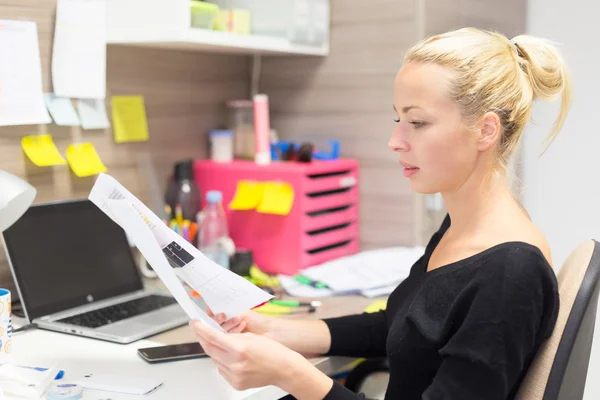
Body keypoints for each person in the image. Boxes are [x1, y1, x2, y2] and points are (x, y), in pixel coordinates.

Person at [190, 27, 570, 400]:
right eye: (397, 120)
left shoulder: (510, 273)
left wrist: (291, 374)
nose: (395, 141)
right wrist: (275, 330)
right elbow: (403, 324)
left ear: (485, 131)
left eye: (417, 122)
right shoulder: (465, 227)